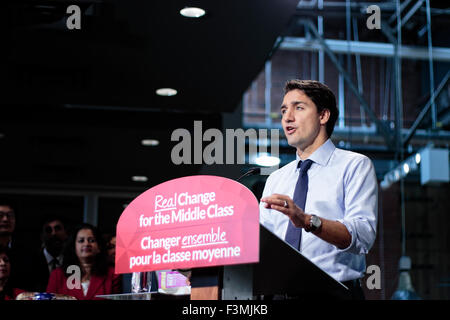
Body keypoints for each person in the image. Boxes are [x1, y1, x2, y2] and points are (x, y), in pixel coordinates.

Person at [260, 80, 377, 300]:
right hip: (277, 295)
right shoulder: (276, 178)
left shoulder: (354, 166)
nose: (287, 117)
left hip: (332, 293)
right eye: (284, 110)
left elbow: (363, 235)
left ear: (323, 116)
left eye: (299, 108)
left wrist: (306, 220)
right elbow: (259, 244)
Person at [46, 223, 121, 300]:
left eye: (91, 240)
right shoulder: (57, 275)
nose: (86, 244)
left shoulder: (112, 275)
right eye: (81, 241)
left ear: (99, 247)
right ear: (74, 247)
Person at [27, 215, 69, 292]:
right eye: (48, 230)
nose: (53, 233)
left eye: (57, 229)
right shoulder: (30, 261)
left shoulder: (72, 261)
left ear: (66, 233)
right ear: (42, 236)